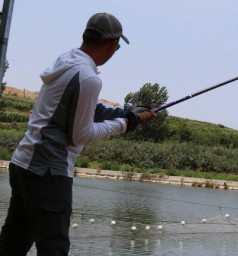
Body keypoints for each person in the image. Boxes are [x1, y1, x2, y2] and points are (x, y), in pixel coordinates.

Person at [0, 12, 155, 255]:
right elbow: (80, 135)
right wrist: (125, 124)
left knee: (13, 243)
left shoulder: (68, 61)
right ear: (112, 45)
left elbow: (89, 108)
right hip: (48, 172)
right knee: (54, 248)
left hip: (24, 163)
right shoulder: (88, 77)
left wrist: (126, 111)